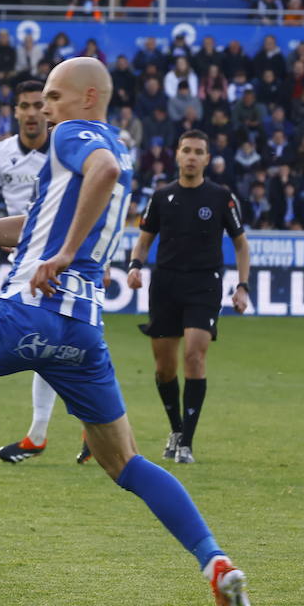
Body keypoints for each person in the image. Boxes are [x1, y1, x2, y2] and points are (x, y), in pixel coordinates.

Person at [0, 58, 252, 606]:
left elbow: (101, 175)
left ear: (88, 97)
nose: (44, 107)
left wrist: (63, 254)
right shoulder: (114, 151)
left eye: (52, 96)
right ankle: (216, 563)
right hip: (82, 335)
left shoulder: (79, 138)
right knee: (126, 463)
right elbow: (35, 225)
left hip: (31, 312)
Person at [119, 130, 251, 466]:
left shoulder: (221, 197)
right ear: (177, 155)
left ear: (208, 159)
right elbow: (144, 239)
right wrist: (135, 265)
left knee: (194, 354)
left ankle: (187, 442)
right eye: (186, 150)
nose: (192, 157)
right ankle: (176, 429)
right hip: (165, 285)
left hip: (204, 285)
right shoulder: (162, 197)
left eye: (199, 152)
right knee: (164, 368)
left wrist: (242, 285)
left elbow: (240, 244)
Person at [0, 80, 60, 464]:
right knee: (56, 344)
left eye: (37, 105)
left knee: (51, 343)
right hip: (21, 260)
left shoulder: (65, 149)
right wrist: (1, 240)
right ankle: (83, 426)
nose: (31, 112)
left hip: (61, 259)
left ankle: (41, 434)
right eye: (24, 105)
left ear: (47, 109)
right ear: (15, 111)